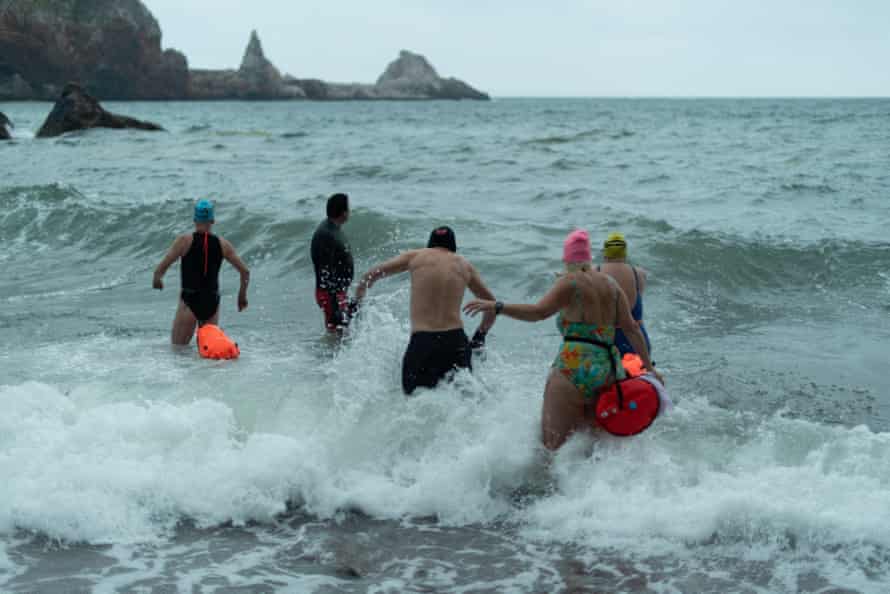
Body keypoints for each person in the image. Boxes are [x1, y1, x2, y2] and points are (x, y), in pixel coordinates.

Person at [464, 229, 660, 450]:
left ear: (567, 259)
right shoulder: (611, 285)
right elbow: (632, 329)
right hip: (607, 369)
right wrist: (650, 370)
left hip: (572, 369)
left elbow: (538, 312)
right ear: (588, 257)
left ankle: (548, 484)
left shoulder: (570, 282)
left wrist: (498, 307)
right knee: (593, 446)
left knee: (551, 447)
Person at [354, 226, 498, 395]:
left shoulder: (416, 256)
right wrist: (480, 336)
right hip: (456, 344)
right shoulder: (464, 265)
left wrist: (356, 305)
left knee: (413, 407)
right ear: (453, 247)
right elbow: (492, 306)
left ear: (429, 244)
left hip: (423, 344)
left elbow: (369, 276)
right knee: (464, 408)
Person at [152, 200, 250, 345]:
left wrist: (157, 278)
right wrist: (242, 296)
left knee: (178, 351)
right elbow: (245, 272)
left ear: (195, 220)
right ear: (213, 220)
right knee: (209, 355)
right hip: (212, 302)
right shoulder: (223, 244)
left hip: (190, 301)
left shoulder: (184, 241)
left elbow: (162, 266)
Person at [597, 232, 651, 357]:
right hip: (637, 342)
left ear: (606, 253)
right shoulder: (639, 274)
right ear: (625, 253)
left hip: (607, 341)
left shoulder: (596, 272)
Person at [310, 193, 354, 332]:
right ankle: (329, 354)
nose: (350, 211)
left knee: (341, 330)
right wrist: (334, 302)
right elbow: (325, 270)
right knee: (337, 331)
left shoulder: (332, 228)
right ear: (343, 212)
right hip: (330, 294)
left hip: (336, 292)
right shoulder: (326, 234)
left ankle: (333, 352)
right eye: (348, 208)